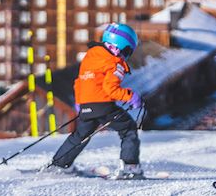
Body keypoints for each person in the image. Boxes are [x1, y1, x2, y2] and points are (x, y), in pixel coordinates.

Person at [47, 23, 145, 179]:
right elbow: (110, 89)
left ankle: (60, 164)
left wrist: (80, 104)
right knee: (128, 130)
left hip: (86, 105)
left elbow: (79, 82)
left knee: (80, 135)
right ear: (122, 46)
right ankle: (130, 167)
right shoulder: (114, 62)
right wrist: (131, 96)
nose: (126, 55)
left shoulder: (90, 58)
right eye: (128, 50)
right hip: (104, 105)